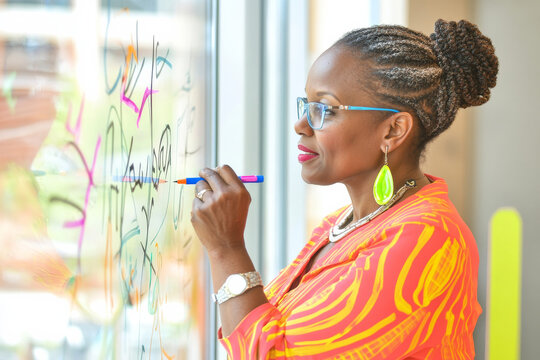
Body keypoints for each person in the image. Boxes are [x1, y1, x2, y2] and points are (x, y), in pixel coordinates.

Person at [190, 19, 498, 359]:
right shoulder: (340, 224)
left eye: (324, 109)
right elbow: (267, 330)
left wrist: (226, 249)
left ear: (393, 130)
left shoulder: (428, 238)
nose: (301, 124)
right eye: (306, 105)